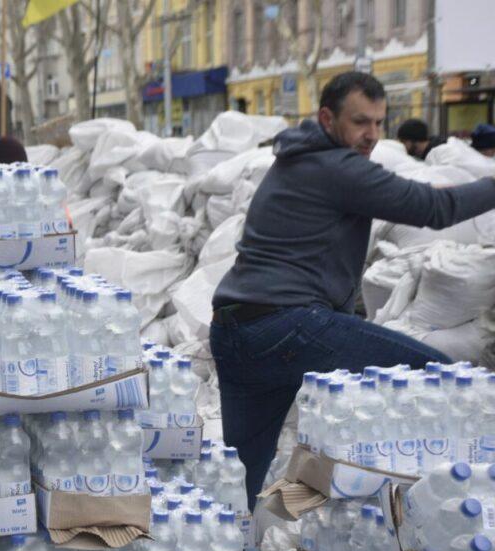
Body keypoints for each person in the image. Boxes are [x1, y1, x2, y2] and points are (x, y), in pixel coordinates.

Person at [209, 71, 495, 509]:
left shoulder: (294, 159)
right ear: (328, 117)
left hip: (235, 329)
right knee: (441, 377)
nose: (372, 135)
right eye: (361, 122)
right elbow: (436, 210)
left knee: (241, 471)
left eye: (380, 123)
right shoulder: (337, 168)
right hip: (287, 323)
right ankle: (455, 501)